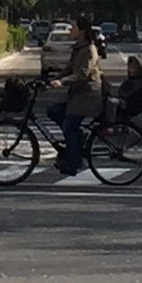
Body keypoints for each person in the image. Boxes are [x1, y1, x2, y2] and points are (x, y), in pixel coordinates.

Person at [45, 16, 102, 175]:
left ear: (82, 31)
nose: (70, 30)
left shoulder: (89, 49)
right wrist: (52, 78)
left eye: (73, 27)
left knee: (69, 126)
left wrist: (62, 82)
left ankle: (74, 162)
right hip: (77, 93)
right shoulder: (78, 47)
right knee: (53, 111)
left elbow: (82, 74)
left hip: (88, 95)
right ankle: (77, 139)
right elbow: (69, 69)